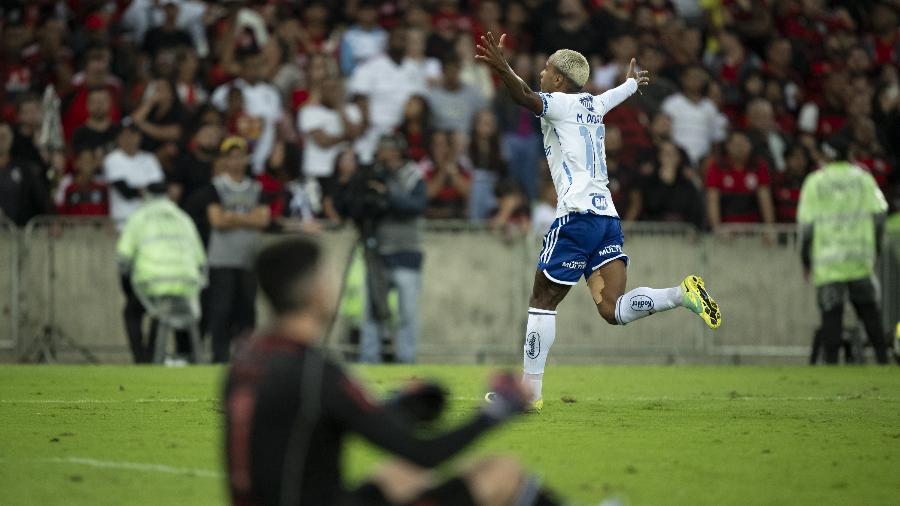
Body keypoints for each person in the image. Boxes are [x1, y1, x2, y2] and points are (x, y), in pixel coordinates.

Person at [476, 33, 721, 412]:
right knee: (613, 308)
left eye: (546, 69)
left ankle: (528, 395)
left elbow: (524, 96)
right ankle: (681, 294)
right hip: (607, 218)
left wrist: (501, 66)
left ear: (559, 80)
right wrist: (632, 82)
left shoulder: (558, 103)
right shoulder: (593, 103)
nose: (541, 73)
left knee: (542, 302)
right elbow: (618, 93)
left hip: (575, 218)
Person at [224, 236, 565, 506]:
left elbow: (314, 426)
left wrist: (398, 408)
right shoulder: (316, 373)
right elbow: (424, 453)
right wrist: (496, 412)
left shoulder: (248, 360)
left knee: (399, 476)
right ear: (315, 291)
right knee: (501, 472)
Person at [797, 137, 890, 365]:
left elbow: (806, 227)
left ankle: (831, 366)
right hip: (860, 260)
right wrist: (875, 248)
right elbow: (880, 215)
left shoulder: (815, 182)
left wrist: (805, 261)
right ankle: (884, 362)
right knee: (870, 314)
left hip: (829, 263)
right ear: (850, 152)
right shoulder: (864, 179)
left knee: (831, 317)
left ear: (825, 155)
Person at [335, 134, 427, 364]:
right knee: (372, 310)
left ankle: (406, 358)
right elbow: (356, 205)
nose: (381, 153)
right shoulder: (372, 174)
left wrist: (387, 196)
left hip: (406, 251)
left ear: (396, 150)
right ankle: (370, 357)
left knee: (407, 312)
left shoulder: (412, 175)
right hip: (378, 251)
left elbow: (417, 205)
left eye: (385, 148)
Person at [116, 182, 206, 364]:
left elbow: (123, 260)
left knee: (132, 312)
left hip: (151, 282)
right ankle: (153, 357)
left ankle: (142, 360)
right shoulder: (183, 217)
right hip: (185, 286)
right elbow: (201, 262)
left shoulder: (138, 217)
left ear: (146, 195)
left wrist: (127, 289)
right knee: (163, 311)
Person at [199, 136, 271, 362]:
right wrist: (248, 217)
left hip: (248, 258)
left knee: (247, 310)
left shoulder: (256, 187)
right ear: (224, 160)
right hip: (222, 259)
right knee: (221, 309)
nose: (236, 161)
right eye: (230, 157)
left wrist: (232, 216)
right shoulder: (216, 188)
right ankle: (219, 356)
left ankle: (246, 357)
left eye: (240, 156)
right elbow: (217, 220)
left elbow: (264, 220)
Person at [102, 119, 165, 229]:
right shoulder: (112, 159)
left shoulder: (150, 158)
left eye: (133, 134)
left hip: (150, 220)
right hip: (123, 222)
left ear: (140, 137)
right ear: (118, 138)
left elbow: (160, 188)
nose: (129, 138)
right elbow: (126, 191)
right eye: (125, 134)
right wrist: (147, 189)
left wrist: (140, 189)